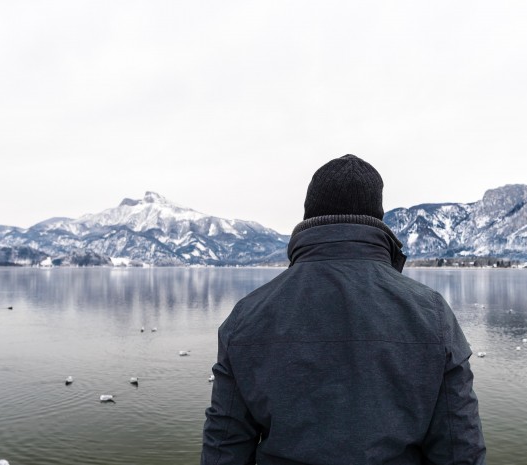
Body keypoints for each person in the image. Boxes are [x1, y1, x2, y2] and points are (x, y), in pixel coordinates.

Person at [201, 154, 486, 465]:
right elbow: (460, 451)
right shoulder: (432, 313)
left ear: (308, 216)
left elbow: (224, 450)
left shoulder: (247, 316)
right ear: (378, 220)